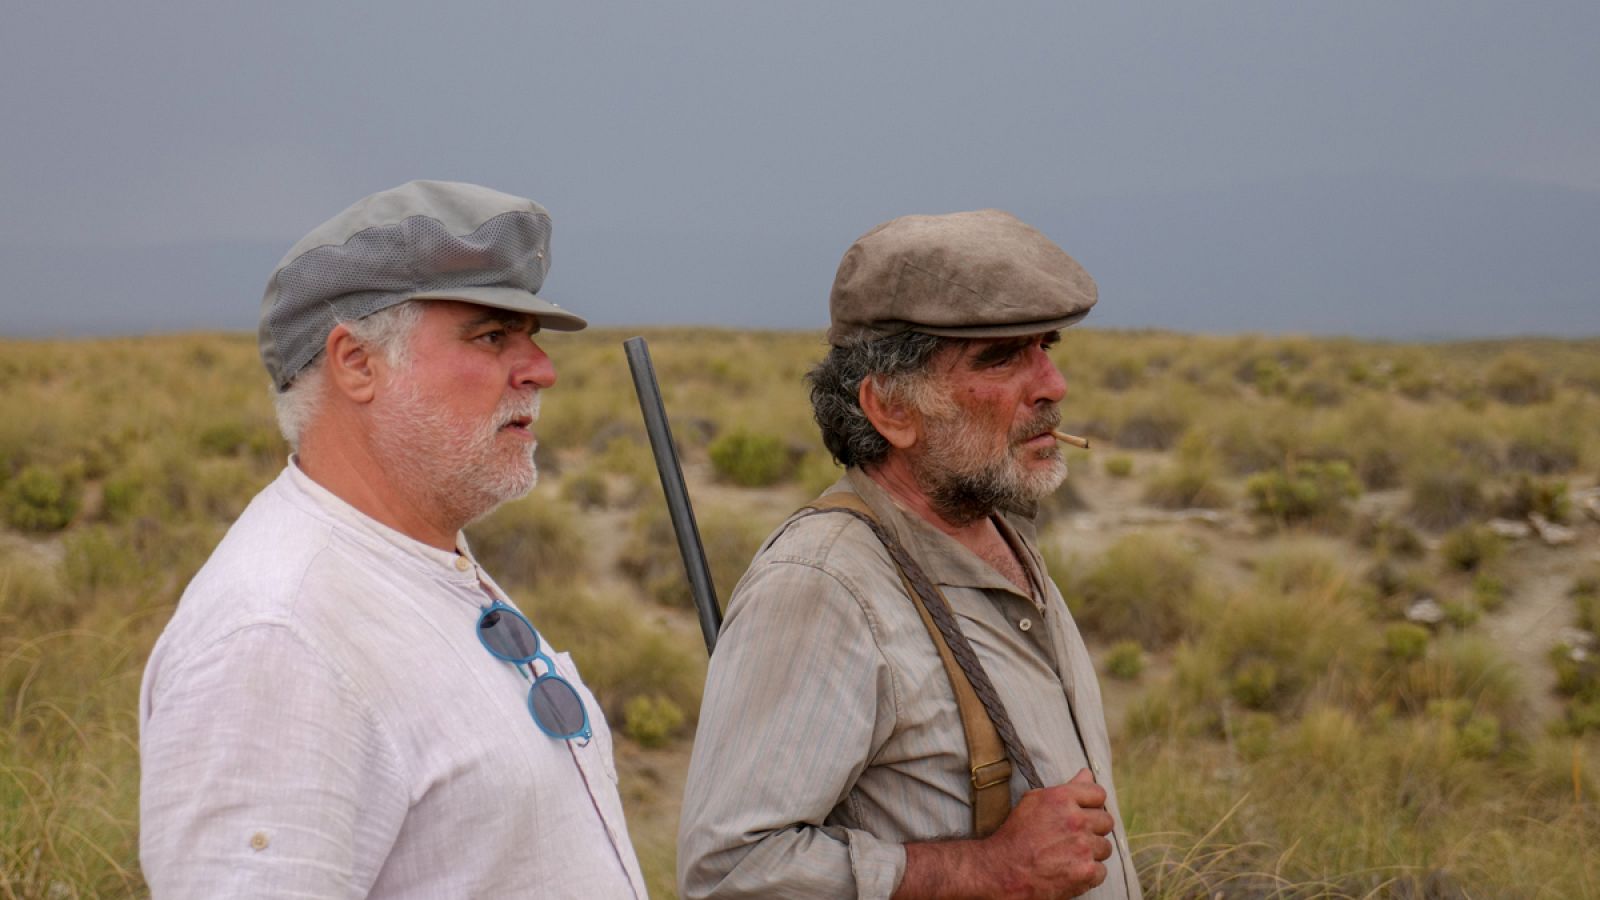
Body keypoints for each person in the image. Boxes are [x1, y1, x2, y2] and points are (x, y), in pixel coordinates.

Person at [139, 180, 646, 897]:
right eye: (492, 335)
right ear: (356, 363)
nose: (542, 370)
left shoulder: (409, 562)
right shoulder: (277, 638)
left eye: (529, 338)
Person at [678, 210, 1141, 899]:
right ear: (892, 410)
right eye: (1001, 358)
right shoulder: (822, 586)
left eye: (1047, 347)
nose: (1051, 385)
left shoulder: (998, 524)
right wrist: (988, 870)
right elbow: (730, 873)